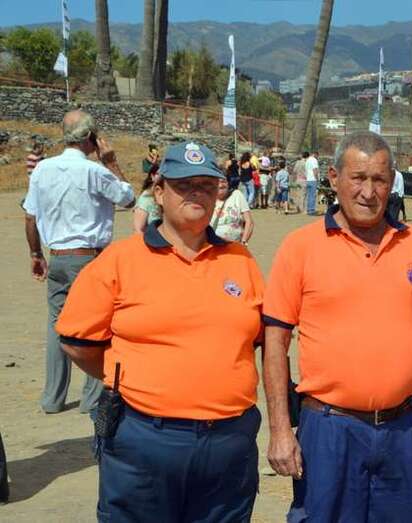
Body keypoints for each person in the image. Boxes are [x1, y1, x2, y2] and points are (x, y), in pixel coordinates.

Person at [56, 141, 265, 522]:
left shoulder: (241, 260)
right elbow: (77, 343)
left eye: (206, 185)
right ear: (159, 191)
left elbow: (254, 340)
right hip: (144, 441)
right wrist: (134, 378)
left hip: (228, 444)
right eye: (184, 185)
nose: (196, 193)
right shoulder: (120, 260)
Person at [262, 131, 412, 522]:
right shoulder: (300, 247)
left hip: (401, 429)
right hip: (329, 430)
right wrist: (279, 428)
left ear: (392, 181)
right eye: (358, 178)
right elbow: (275, 342)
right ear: (334, 178)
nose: (368, 192)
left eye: (379, 179)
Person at [23, 110, 135, 415]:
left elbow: (30, 216)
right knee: (96, 324)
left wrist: (35, 254)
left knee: (56, 324)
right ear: (90, 138)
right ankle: (92, 398)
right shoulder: (94, 172)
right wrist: (111, 162)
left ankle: (53, 397)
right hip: (90, 257)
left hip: (58, 255)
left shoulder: (42, 169)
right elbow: (129, 198)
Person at [212, 175, 254, 244]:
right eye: (217, 182)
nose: (220, 185)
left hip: (234, 245)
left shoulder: (237, 195)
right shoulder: (207, 198)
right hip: (212, 246)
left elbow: (249, 221)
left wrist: (244, 241)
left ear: (228, 183)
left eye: (223, 182)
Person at [304, 150, 319, 215]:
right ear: (315, 154)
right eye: (317, 156)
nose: (318, 158)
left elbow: (306, 171)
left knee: (309, 196)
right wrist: (317, 178)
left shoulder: (307, 160)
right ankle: (311, 210)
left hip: (308, 179)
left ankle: (308, 209)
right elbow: (315, 170)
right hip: (313, 179)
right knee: (313, 195)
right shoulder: (314, 160)